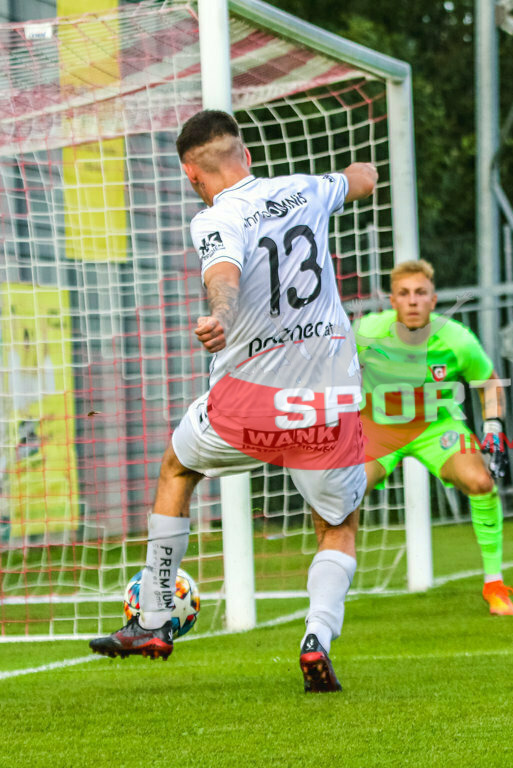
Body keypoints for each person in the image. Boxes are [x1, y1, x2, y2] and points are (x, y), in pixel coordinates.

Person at [89, 109, 378, 694]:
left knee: (178, 467)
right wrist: (358, 174)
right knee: (337, 524)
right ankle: (316, 637)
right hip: (324, 407)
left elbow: (224, 268)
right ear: (244, 154)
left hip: (245, 408)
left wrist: (221, 314)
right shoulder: (304, 189)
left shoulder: (216, 217)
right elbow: (362, 177)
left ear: (193, 176)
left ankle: (152, 618)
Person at [355, 259, 513, 615]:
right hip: (380, 427)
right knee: (342, 492)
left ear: (434, 299)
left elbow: (489, 383)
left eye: (420, 293)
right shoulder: (365, 332)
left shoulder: (457, 339)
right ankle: (329, 590)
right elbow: (330, 369)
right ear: (392, 300)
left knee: (480, 481)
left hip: (436, 428)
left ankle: (494, 585)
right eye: (404, 294)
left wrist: (494, 430)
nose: (413, 301)